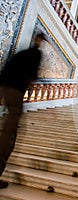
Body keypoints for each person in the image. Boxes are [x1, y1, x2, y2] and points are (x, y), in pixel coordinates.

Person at [0, 33, 45, 189]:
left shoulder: (21, 53)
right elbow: (32, 77)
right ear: (39, 41)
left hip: (5, 88)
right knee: (9, 136)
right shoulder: (36, 54)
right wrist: (29, 92)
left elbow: (6, 69)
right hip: (16, 92)